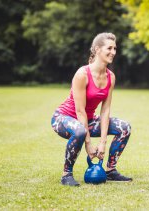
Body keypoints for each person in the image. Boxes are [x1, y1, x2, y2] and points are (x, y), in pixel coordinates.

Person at [51, 32, 132, 186]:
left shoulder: (111, 76)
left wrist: (103, 142)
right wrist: (88, 144)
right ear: (97, 49)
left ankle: (110, 170)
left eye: (115, 48)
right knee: (80, 131)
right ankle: (66, 174)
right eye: (109, 48)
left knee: (124, 127)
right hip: (63, 118)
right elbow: (80, 111)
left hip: (87, 120)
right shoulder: (82, 74)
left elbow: (105, 110)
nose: (113, 52)